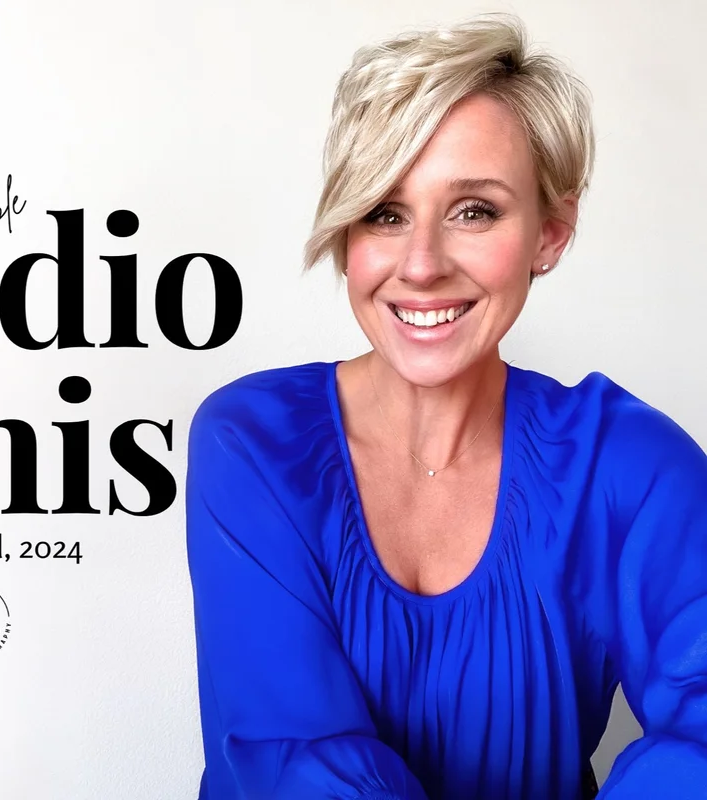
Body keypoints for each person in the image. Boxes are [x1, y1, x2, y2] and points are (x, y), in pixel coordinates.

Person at [184, 12, 707, 800]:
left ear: (550, 233)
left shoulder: (631, 467)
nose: (422, 264)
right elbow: (294, 761)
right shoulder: (253, 445)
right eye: (384, 212)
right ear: (347, 234)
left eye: (474, 210)